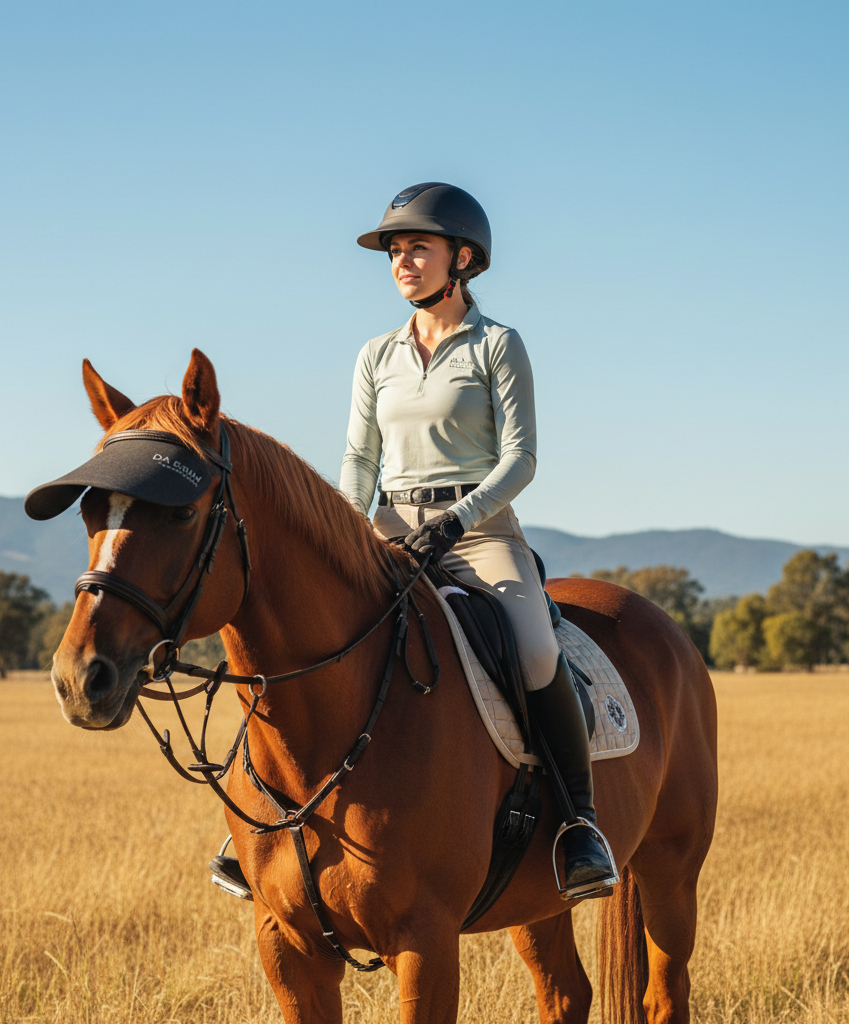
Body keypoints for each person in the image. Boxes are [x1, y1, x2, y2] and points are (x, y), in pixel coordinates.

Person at [340, 182, 617, 898]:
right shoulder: (376, 355)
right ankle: (271, 822)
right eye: (396, 252)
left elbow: (520, 458)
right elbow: (361, 461)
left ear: (461, 259)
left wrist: (460, 518)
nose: (403, 263)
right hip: (390, 529)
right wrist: (345, 530)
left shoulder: (497, 344)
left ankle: (579, 826)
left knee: (533, 648)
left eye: (418, 250)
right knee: (320, 631)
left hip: (478, 532)